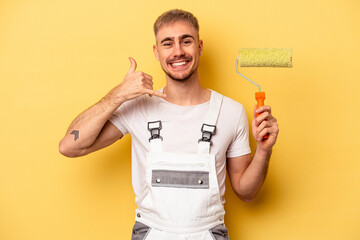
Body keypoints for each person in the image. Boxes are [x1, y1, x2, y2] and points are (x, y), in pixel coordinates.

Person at [59, 9, 279, 240]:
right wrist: (118, 95)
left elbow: (246, 192)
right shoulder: (138, 108)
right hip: (152, 233)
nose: (178, 52)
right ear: (156, 52)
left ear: (200, 46)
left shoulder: (231, 112)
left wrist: (264, 149)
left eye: (186, 41)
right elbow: (70, 146)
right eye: (168, 43)